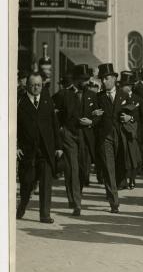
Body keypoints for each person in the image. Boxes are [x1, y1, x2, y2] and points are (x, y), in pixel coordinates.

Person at [52, 64, 100, 215]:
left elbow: (99, 116)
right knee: (72, 168)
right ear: (76, 79)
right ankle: (75, 203)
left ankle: (76, 195)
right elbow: (52, 113)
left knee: (84, 171)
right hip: (69, 134)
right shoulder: (63, 94)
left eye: (87, 79)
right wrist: (59, 130)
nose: (86, 82)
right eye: (83, 79)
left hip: (85, 136)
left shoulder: (92, 95)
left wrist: (92, 121)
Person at [16, 72, 63, 223]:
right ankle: (22, 205)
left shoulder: (46, 100)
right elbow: (13, 127)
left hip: (45, 150)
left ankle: (45, 214)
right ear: (27, 86)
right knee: (27, 182)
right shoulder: (20, 103)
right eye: (33, 85)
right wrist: (16, 146)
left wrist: (58, 146)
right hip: (28, 150)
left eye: (39, 85)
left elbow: (54, 125)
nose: (36, 88)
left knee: (46, 183)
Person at [96, 63, 129, 213]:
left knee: (119, 166)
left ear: (114, 79)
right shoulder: (99, 97)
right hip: (105, 137)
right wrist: (94, 116)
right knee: (109, 169)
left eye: (106, 78)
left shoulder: (124, 95)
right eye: (102, 79)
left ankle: (117, 188)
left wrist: (129, 117)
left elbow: (133, 113)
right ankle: (114, 202)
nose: (103, 81)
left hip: (120, 135)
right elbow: (93, 116)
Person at [118, 71, 143, 190]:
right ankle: (122, 181)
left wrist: (131, 118)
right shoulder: (118, 97)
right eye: (122, 85)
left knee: (133, 157)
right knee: (122, 156)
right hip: (121, 131)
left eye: (125, 85)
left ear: (131, 86)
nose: (123, 87)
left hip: (133, 132)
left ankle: (132, 180)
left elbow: (142, 116)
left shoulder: (138, 99)